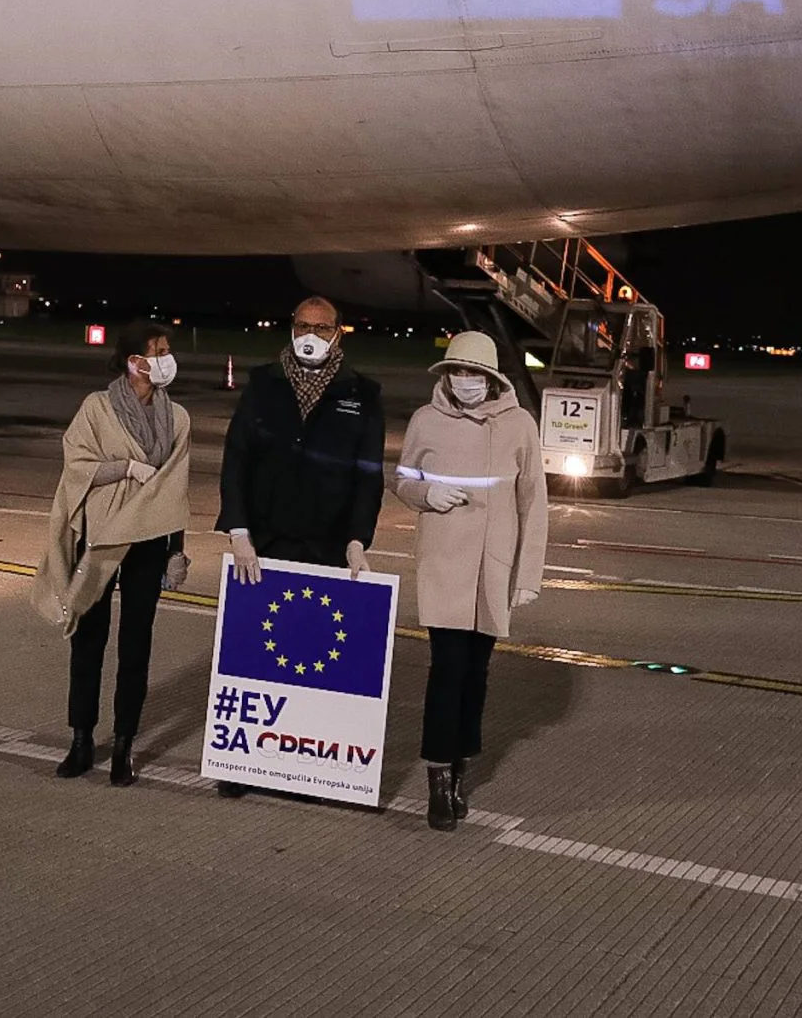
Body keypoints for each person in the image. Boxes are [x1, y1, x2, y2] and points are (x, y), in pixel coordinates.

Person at [213, 295, 387, 796]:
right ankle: (241, 763)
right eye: (302, 325)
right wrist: (238, 530)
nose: (310, 335)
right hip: (265, 540)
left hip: (326, 543)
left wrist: (358, 538)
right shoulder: (263, 383)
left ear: (338, 333)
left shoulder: (362, 393)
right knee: (255, 651)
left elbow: (368, 476)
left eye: (321, 327)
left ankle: (303, 763)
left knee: (310, 649)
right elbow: (236, 458)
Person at [394, 328, 548, 831]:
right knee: (447, 669)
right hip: (445, 564)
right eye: (457, 371)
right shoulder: (426, 419)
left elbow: (533, 501)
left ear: (492, 378)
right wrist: (426, 495)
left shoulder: (519, 424)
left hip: (493, 567)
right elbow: (402, 479)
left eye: (473, 373)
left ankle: (461, 766)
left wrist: (527, 573)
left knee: (476, 674)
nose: (464, 380)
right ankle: (438, 779)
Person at [31, 320, 194, 787]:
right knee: (89, 638)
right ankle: (81, 739)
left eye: (166, 350)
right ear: (134, 361)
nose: (165, 359)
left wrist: (176, 550)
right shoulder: (97, 408)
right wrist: (125, 468)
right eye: (157, 352)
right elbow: (77, 464)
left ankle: (124, 744)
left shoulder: (177, 417)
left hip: (148, 538)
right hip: (102, 535)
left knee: (136, 644)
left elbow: (176, 489)